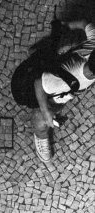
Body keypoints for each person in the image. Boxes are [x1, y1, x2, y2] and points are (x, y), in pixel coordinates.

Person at [32, 19, 95, 161]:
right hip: (51, 92)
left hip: (65, 80)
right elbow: (38, 84)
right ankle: (40, 135)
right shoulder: (70, 77)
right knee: (41, 118)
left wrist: (66, 26)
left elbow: (85, 24)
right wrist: (46, 111)